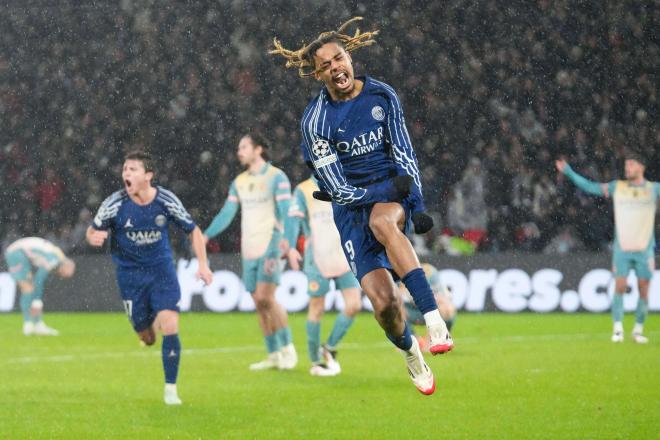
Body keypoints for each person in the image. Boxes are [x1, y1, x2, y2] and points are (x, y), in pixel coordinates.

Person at [271, 17, 453, 395]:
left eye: (338, 58)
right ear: (318, 74)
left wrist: (414, 202)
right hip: (353, 212)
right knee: (384, 307)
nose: (335, 67)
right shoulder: (315, 122)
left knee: (384, 223)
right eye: (325, 65)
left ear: (349, 57)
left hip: (390, 200)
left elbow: (404, 152)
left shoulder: (382, 96)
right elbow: (339, 190)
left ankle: (435, 321)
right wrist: (387, 186)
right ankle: (409, 352)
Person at [86, 150, 212, 405]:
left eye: (132, 169)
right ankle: (150, 321)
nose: (126, 174)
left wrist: (203, 264)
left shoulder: (165, 200)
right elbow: (92, 229)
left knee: (171, 326)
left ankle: (170, 389)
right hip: (130, 277)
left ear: (148, 175)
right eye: (125, 170)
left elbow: (193, 230)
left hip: (161, 272)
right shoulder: (115, 203)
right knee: (147, 337)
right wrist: (93, 237)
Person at [204, 133, 298, 371]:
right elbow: (227, 213)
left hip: (271, 243)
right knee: (258, 302)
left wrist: (288, 240)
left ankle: (288, 348)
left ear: (258, 150)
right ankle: (273, 354)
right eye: (239, 147)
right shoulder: (240, 182)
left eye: (244, 146)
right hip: (249, 248)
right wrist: (206, 234)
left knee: (267, 297)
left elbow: (288, 210)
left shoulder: (277, 177)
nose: (239, 151)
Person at [556, 154, 659, 343]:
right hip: (623, 248)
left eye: (631, 164)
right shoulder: (618, 187)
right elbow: (590, 187)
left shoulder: (653, 189)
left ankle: (637, 330)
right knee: (620, 286)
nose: (627, 167)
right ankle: (618, 329)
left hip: (645, 249)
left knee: (644, 289)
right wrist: (569, 172)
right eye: (626, 163)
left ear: (641, 167)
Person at [286, 175, 362, 376]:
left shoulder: (344, 181)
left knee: (354, 305)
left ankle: (329, 347)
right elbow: (293, 220)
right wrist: (292, 246)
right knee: (317, 308)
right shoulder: (303, 189)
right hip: (317, 257)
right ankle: (315, 361)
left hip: (345, 254)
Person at [4, 237, 76, 336]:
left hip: (21, 253)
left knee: (29, 288)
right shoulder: (54, 259)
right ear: (67, 266)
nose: (61, 275)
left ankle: (36, 324)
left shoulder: (58, 257)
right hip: (16, 253)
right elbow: (38, 279)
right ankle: (29, 325)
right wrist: (37, 301)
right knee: (27, 289)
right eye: (64, 274)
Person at [399, 263, 456, 352]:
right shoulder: (402, 273)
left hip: (432, 309)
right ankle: (409, 340)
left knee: (447, 309)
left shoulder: (431, 274)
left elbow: (442, 298)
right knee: (396, 309)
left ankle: (440, 337)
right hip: (414, 311)